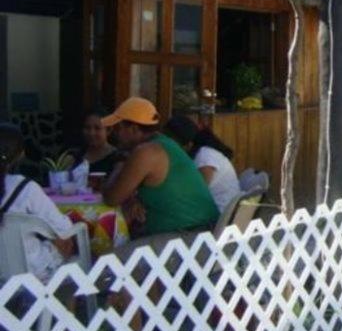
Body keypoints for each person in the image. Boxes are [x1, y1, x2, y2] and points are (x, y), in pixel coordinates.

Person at [101, 98, 219, 238]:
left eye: (117, 128)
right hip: (204, 232)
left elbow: (111, 198)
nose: (112, 133)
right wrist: (136, 198)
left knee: (110, 256)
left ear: (133, 129)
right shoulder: (165, 143)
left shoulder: (146, 152)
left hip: (187, 238)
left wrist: (119, 164)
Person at [0, 123, 76, 282]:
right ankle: (65, 302)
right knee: (66, 241)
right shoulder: (26, 189)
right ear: (20, 154)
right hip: (31, 272)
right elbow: (63, 230)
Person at [164, 115, 240, 213]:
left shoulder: (205, 157)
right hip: (218, 210)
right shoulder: (202, 152)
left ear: (188, 145)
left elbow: (196, 193)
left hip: (219, 215)